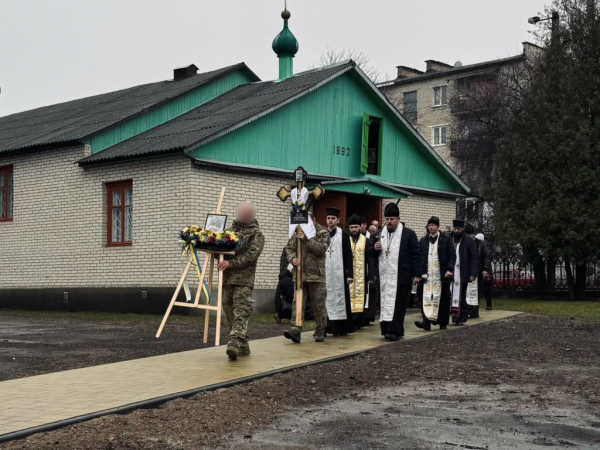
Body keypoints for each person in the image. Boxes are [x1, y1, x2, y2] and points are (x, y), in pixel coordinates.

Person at [218, 202, 265, 360]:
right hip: (227, 279)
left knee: (241, 311)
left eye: (247, 213)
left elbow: (252, 255)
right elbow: (220, 248)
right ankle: (243, 346)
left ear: (252, 215)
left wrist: (231, 263)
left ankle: (234, 343)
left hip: (244, 279)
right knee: (229, 311)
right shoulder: (229, 231)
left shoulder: (257, 234)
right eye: (242, 213)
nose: (244, 216)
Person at [368, 202, 421, 341]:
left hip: (401, 276)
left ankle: (396, 330)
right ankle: (385, 329)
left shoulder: (408, 234)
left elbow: (416, 255)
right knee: (385, 303)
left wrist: (416, 274)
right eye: (387, 219)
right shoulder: (380, 234)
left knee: (398, 305)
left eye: (392, 219)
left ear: (398, 219)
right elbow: (369, 252)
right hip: (384, 277)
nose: (389, 222)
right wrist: (374, 248)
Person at [284, 212, 330, 343]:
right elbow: (289, 248)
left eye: (306, 221)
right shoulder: (297, 231)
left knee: (318, 304)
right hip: (300, 274)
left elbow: (320, 249)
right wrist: (293, 259)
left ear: (313, 220)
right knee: (297, 302)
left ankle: (320, 329)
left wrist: (305, 238)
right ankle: (296, 329)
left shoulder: (322, 232)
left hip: (316, 275)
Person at [415, 216, 455, 331]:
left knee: (442, 298)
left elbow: (452, 255)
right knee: (426, 297)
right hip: (427, 275)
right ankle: (426, 322)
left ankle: (442, 322)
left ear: (438, 226)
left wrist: (449, 269)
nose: (430, 227)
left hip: (440, 275)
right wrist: (418, 273)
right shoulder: (423, 240)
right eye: (429, 225)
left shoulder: (446, 239)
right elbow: (419, 257)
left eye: (433, 225)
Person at [324, 207, 355, 337]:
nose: (330, 221)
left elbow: (349, 256)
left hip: (340, 275)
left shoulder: (344, 235)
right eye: (328, 218)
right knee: (326, 299)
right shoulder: (321, 234)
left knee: (341, 299)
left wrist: (350, 274)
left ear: (338, 220)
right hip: (325, 273)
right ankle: (326, 327)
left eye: (333, 218)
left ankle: (341, 328)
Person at [449, 219, 479, 326]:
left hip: (463, 271)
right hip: (451, 272)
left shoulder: (468, 241)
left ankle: (462, 316)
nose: (456, 230)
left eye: (459, 229)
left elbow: (474, 257)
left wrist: (473, 273)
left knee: (461, 295)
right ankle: (454, 316)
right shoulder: (449, 239)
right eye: (455, 228)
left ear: (462, 229)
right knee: (452, 295)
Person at [347, 214, 371, 329]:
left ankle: (359, 322)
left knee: (361, 298)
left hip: (362, 275)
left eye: (356, 227)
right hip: (349, 275)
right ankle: (351, 321)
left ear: (360, 227)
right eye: (351, 227)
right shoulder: (346, 240)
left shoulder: (366, 241)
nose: (354, 230)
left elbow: (370, 260)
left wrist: (371, 276)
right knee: (349, 297)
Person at [364, 225, 381, 324]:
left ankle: (369, 316)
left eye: (375, 231)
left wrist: (373, 274)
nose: (374, 233)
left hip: (373, 270)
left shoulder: (371, 239)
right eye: (372, 231)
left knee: (372, 294)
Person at [464, 224, 481, 318]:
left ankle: (474, 311)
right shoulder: (465, 242)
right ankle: (468, 310)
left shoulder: (478, 243)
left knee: (474, 292)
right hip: (467, 270)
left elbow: (479, 257)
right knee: (467, 292)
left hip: (475, 270)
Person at [475, 233, 493, 310]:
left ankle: (488, 305)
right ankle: (477, 304)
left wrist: (485, 269)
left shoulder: (483, 246)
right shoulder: (478, 246)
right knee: (480, 289)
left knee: (486, 288)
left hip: (485, 270)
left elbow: (487, 258)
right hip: (482, 270)